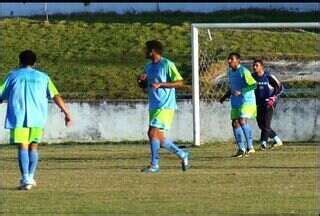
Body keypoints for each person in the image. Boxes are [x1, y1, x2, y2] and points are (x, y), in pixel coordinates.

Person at [0, 50, 72, 190]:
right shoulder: (43, 77)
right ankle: (30, 177)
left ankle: (26, 178)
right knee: (33, 146)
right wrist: (66, 112)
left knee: (23, 146)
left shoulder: (12, 76)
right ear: (35, 63)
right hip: (37, 117)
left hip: (18, 116)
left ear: (19, 61)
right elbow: (55, 95)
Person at [138, 40, 189, 173]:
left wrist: (162, 84)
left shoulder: (167, 64)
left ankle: (154, 165)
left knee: (151, 133)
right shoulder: (148, 66)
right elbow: (146, 87)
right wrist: (141, 82)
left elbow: (179, 82)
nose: (144, 51)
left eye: (146, 49)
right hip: (154, 105)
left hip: (165, 105)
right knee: (158, 138)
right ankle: (182, 154)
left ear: (153, 51)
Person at [220, 53, 257, 157]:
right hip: (235, 101)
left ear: (238, 61)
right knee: (235, 123)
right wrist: (225, 96)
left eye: (232, 59)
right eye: (229, 59)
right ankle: (241, 149)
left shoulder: (244, 71)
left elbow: (254, 85)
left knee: (242, 120)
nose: (229, 61)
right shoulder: (230, 72)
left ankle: (250, 147)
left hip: (247, 100)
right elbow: (232, 87)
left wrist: (242, 91)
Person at [252, 59, 283, 150]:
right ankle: (277, 140)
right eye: (253, 65)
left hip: (269, 103)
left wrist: (273, 97)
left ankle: (263, 143)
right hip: (257, 103)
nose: (254, 67)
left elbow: (280, 88)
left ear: (262, 67)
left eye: (256, 65)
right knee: (261, 125)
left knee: (266, 123)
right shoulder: (252, 76)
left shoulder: (269, 76)